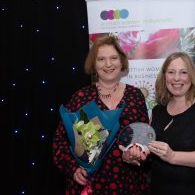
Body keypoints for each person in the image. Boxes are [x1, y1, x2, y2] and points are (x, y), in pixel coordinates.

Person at [53, 35, 150, 195]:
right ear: (94, 64)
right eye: (101, 59)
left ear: (121, 61)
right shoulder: (80, 97)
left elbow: (144, 137)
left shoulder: (135, 95)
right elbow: (60, 141)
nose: (108, 64)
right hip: (89, 185)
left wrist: (137, 154)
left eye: (113, 58)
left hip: (128, 183)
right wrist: (74, 168)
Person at [147, 52, 195, 195]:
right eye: (171, 72)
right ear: (164, 77)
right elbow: (149, 152)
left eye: (183, 72)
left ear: (192, 77)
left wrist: (173, 157)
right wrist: (135, 155)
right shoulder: (157, 111)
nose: (176, 78)